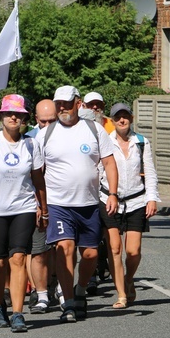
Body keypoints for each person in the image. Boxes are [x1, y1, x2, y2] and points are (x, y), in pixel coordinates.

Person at [38, 86, 119, 323]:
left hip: (89, 203)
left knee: (91, 253)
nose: (61, 107)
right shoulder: (46, 133)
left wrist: (112, 193)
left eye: (66, 103)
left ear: (78, 103)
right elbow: (36, 171)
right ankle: (70, 301)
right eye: (58, 103)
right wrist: (38, 203)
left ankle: (81, 289)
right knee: (64, 250)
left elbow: (110, 163)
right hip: (58, 204)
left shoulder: (94, 129)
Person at [0, 94, 48, 332]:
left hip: (23, 208)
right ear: (1, 116)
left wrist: (43, 209)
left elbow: (38, 180)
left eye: (18, 114)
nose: (13, 117)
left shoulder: (31, 144)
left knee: (18, 259)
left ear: (25, 118)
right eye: (9, 114)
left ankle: (18, 313)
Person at [100, 103, 160, 308]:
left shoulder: (141, 142)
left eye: (125, 116)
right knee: (115, 248)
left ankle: (128, 278)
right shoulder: (105, 142)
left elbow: (150, 172)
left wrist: (152, 198)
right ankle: (121, 295)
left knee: (133, 251)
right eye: (118, 117)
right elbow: (99, 171)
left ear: (131, 119)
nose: (122, 120)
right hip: (109, 200)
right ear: (112, 120)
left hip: (136, 201)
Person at [24, 99, 59, 313]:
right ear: (36, 119)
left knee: (56, 247)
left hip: (60, 200)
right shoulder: (28, 140)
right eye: (43, 121)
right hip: (35, 201)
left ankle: (53, 283)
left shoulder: (65, 137)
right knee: (36, 250)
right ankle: (38, 289)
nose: (47, 125)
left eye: (51, 121)